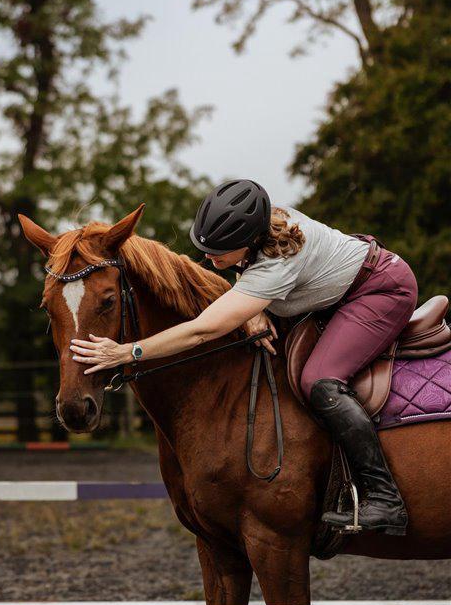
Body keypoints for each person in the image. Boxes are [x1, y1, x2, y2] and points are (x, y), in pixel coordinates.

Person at [70, 179, 418, 535]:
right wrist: (251, 306)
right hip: (332, 290)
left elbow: (202, 330)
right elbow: (245, 279)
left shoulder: (277, 262)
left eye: (220, 252)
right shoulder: (264, 227)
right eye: (204, 247)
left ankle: (384, 497)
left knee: (320, 380)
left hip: (380, 291)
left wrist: (128, 351)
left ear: (250, 241)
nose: (208, 258)